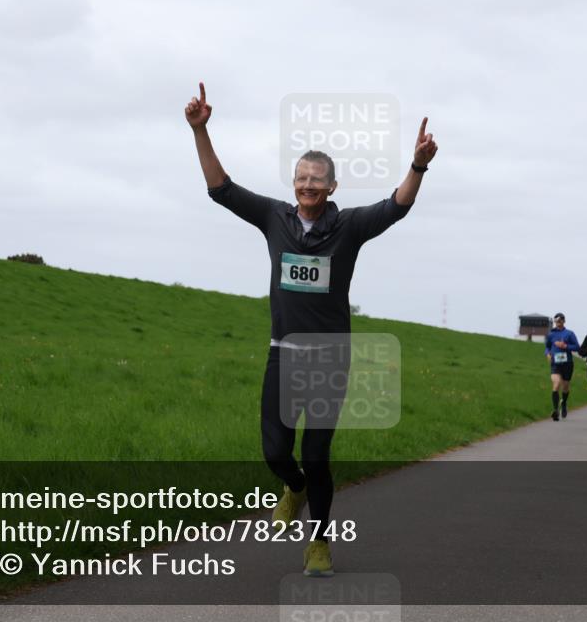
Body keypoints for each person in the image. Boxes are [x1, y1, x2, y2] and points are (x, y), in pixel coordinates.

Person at [186, 82, 436, 577]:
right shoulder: (274, 218)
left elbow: (397, 205)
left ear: (332, 188)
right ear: (293, 182)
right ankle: (293, 487)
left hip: (327, 359)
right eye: (301, 178)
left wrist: (419, 165)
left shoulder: (349, 228)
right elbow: (222, 190)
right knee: (277, 453)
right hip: (283, 353)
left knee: (316, 455)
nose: (307, 186)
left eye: (317, 180)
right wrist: (200, 130)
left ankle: (318, 544)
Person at [544, 312, 580, 421]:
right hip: (555, 363)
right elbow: (547, 347)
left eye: (560, 321)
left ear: (564, 321)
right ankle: (555, 410)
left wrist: (565, 346)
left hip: (567, 363)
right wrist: (548, 354)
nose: (558, 323)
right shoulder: (551, 334)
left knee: (565, 386)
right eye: (556, 322)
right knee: (556, 384)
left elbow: (577, 347)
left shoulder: (569, 333)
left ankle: (563, 403)